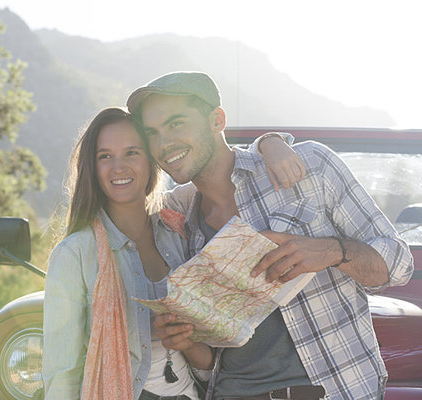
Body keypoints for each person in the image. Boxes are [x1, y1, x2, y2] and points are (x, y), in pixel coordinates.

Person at [126, 71, 414, 400]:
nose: (164, 145)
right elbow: (212, 364)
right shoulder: (177, 220)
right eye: (153, 133)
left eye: (176, 123)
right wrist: (185, 339)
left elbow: (398, 264)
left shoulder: (310, 167)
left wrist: (332, 252)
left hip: (332, 388)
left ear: (217, 120)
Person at [42, 107, 304, 400]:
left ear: (152, 161)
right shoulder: (74, 254)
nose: (119, 167)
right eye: (105, 156)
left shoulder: (177, 225)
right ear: (92, 167)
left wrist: (269, 142)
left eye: (132, 152)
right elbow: (61, 371)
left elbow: (223, 170)